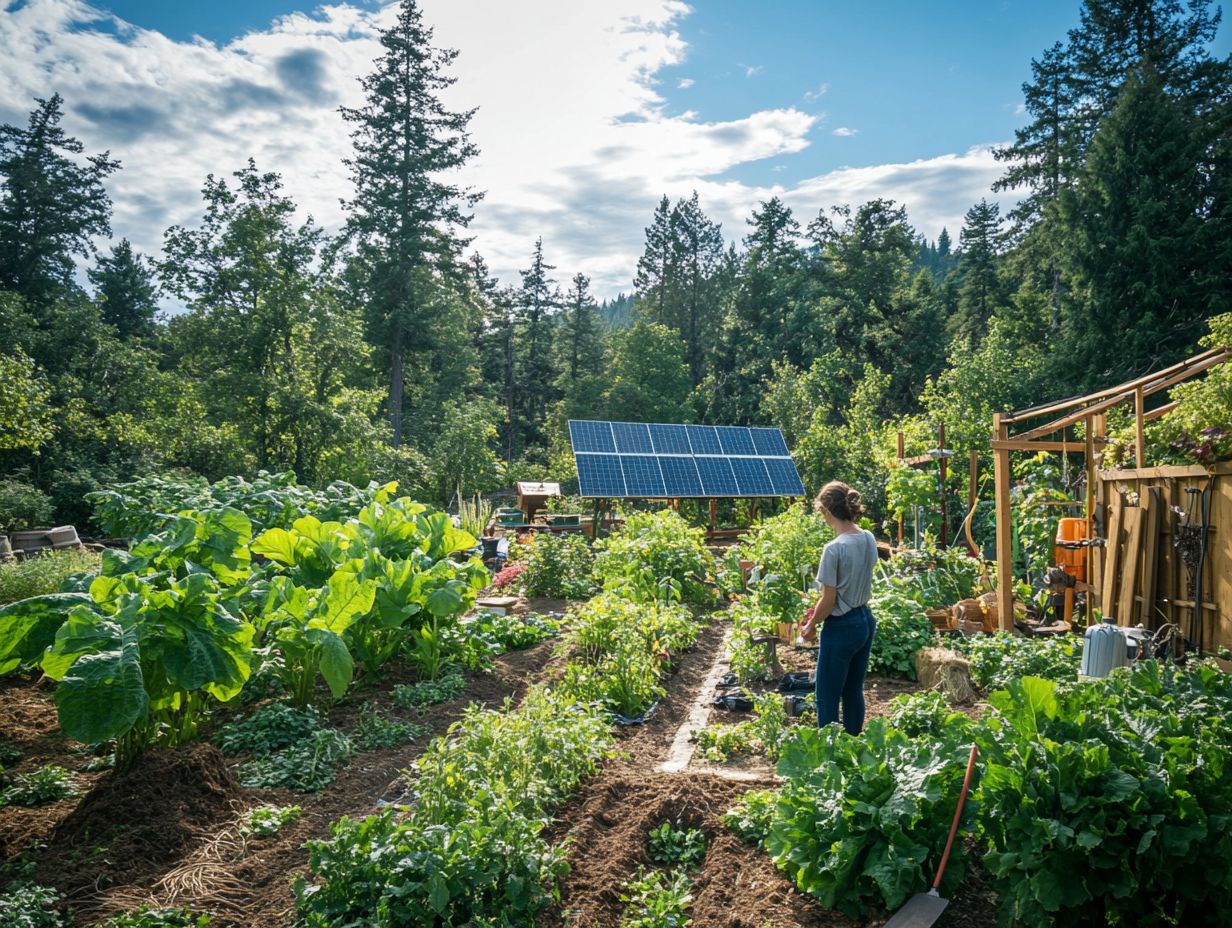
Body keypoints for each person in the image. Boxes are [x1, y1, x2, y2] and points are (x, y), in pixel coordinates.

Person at [798, 481, 878, 735]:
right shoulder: (867, 537)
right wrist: (817, 611)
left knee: (827, 696)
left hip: (841, 627)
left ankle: (830, 754)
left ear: (828, 511)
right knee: (852, 690)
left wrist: (809, 627)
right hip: (864, 619)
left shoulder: (833, 549)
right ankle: (854, 746)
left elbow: (829, 599)